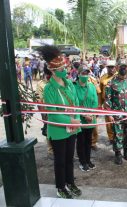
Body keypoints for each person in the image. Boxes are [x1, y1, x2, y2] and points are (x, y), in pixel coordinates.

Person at [38, 45, 82, 199]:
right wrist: (71, 119)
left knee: (70, 158)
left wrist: (75, 116)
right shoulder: (49, 89)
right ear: (53, 70)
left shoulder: (69, 83)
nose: (66, 69)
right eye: (62, 67)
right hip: (58, 130)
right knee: (60, 160)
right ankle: (60, 186)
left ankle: (70, 182)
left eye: (65, 66)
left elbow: (75, 101)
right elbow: (53, 114)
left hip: (72, 127)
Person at [105, 59, 127, 165]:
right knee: (118, 135)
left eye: (125, 66)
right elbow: (107, 100)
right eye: (121, 66)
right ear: (117, 67)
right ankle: (118, 154)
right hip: (117, 115)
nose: (123, 68)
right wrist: (110, 114)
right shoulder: (111, 82)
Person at [74, 66, 98, 171]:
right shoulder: (74, 87)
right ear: (78, 74)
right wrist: (84, 115)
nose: (85, 75)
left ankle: (88, 160)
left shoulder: (92, 86)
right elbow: (74, 104)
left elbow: (95, 102)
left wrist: (91, 114)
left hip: (91, 119)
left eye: (87, 73)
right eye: (83, 73)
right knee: (81, 141)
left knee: (89, 140)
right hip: (80, 119)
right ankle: (82, 162)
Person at [36, 64, 53, 157]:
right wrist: (43, 114)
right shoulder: (41, 84)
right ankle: (51, 150)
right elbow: (39, 100)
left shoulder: (59, 80)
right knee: (49, 130)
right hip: (48, 112)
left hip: (59, 110)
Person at [100, 60, 117, 145]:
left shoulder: (118, 76)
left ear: (115, 67)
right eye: (109, 67)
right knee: (109, 122)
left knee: (117, 122)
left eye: (112, 67)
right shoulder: (103, 77)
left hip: (117, 104)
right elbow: (100, 91)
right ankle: (111, 138)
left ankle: (118, 137)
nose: (111, 69)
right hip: (107, 104)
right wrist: (100, 104)